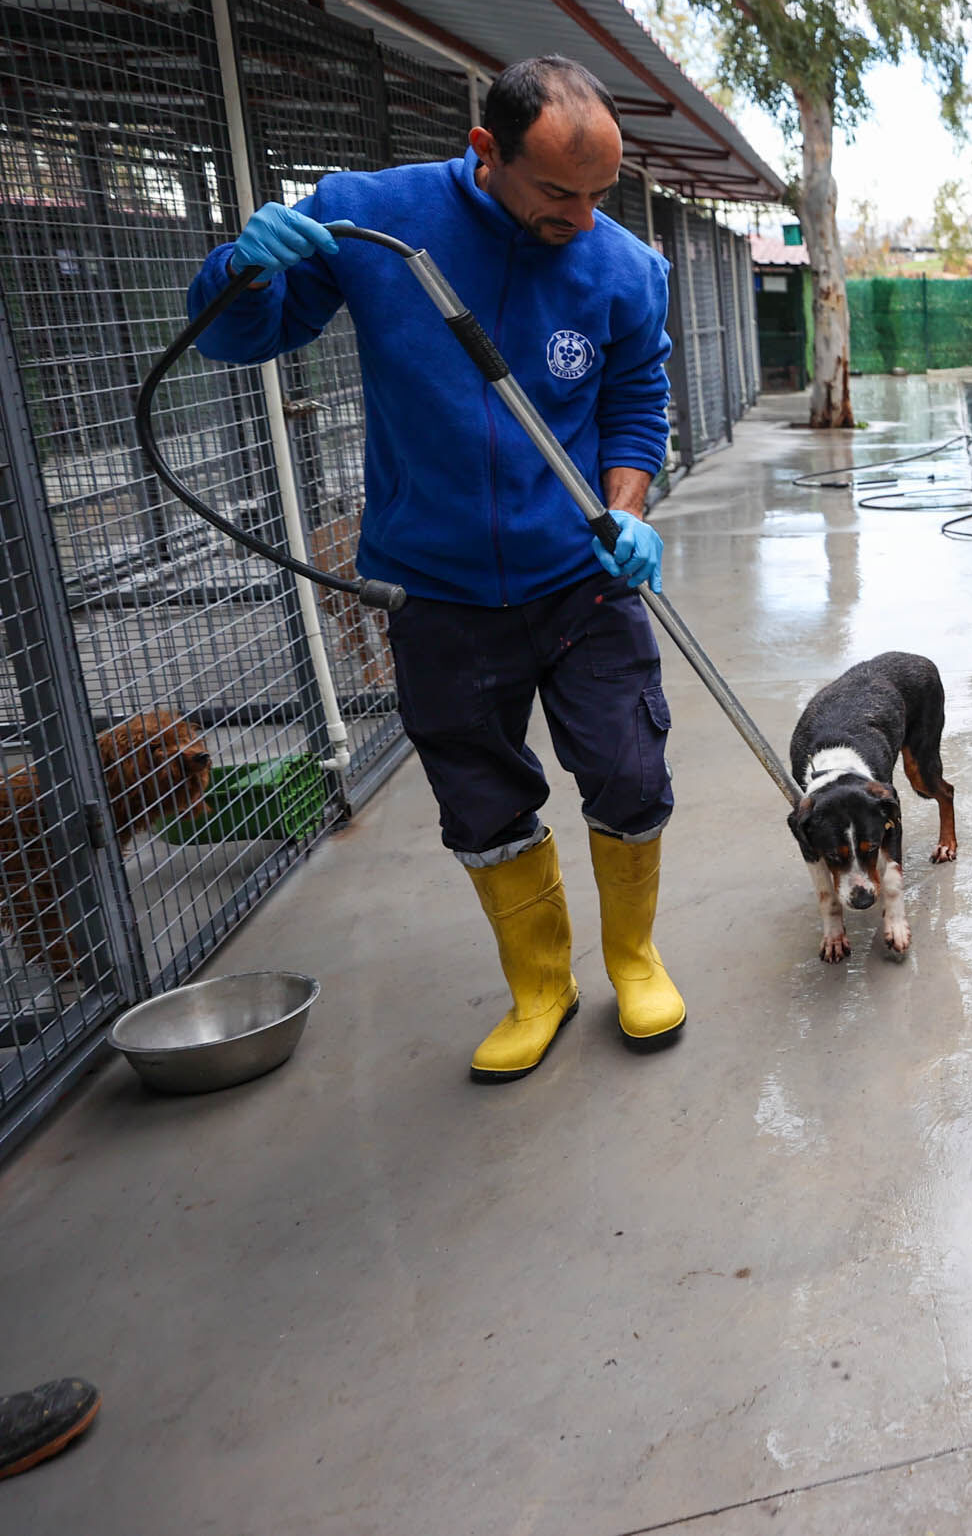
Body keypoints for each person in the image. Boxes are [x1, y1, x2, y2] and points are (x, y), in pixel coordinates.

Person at [185, 56, 684, 1084]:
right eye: (558, 193)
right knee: (481, 798)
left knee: (630, 771)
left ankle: (634, 956)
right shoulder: (373, 219)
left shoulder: (626, 268)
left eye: (600, 195)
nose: (583, 219)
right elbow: (243, 339)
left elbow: (636, 406)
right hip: (435, 587)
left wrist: (626, 513)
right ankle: (540, 987)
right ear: (485, 152)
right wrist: (241, 265)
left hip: (583, 576)